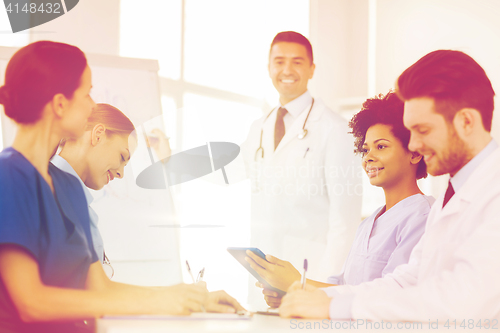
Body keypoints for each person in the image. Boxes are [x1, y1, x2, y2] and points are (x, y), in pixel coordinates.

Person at [0, 41, 243, 333]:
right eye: (87, 93)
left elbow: (99, 289)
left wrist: (190, 298)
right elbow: (32, 303)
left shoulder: (70, 188)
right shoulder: (9, 176)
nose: (92, 104)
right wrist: (160, 302)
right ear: (60, 103)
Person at [279, 49, 500, 321]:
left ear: (467, 121)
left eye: (423, 130)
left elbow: (462, 300)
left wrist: (335, 308)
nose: (415, 144)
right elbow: (406, 281)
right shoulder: (450, 197)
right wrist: (321, 297)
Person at [246, 91, 434, 307]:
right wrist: (293, 293)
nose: (368, 157)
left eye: (381, 146)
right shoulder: (368, 224)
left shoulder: (423, 218)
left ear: (415, 153)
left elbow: (391, 297)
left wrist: (297, 283)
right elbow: (343, 286)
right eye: (365, 149)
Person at [239, 31, 362, 301]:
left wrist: (321, 287)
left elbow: (346, 220)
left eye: (297, 62)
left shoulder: (336, 130)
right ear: (269, 68)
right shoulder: (258, 128)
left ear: (311, 69)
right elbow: (233, 173)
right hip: (263, 271)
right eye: (279, 61)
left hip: (310, 272)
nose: (287, 70)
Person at [51, 103, 136, 271]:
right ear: (98, 135)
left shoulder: (75, 200)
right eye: (122, 156)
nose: (121, 174)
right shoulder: (47, 189)